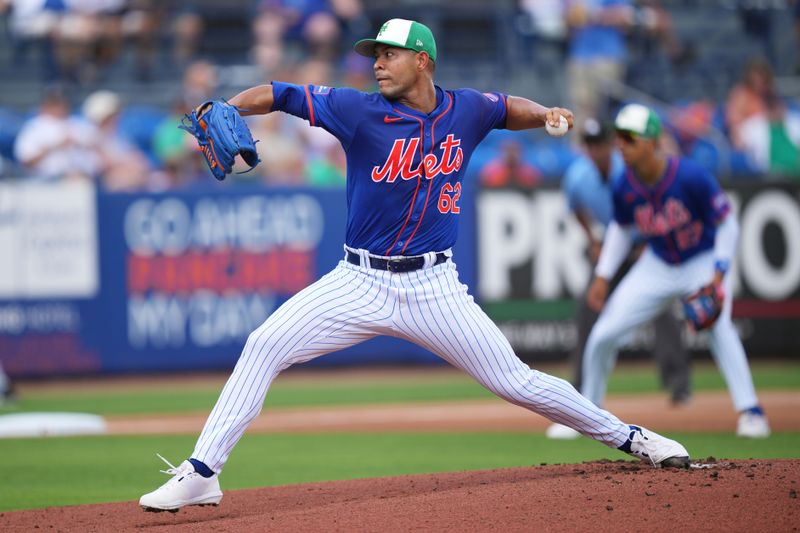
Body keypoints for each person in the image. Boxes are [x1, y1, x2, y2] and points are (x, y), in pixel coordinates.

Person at [139, 19, 691, 513]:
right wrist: (231, 106)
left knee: (517, 382)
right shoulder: (358, 110)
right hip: (358, 280)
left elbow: (505, 109)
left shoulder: (465, 108)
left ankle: (633, 438)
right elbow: (280, 94)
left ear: (422, 60)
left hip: (434, 287)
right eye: (374, 54)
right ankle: (201, 474)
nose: (376, 63)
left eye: (389, 53)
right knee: (264, 344)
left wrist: (544, 113)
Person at [578, 103, 771, 442]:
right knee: (603, 334)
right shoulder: (625, 185)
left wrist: (719, 273)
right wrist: (603, 275)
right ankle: (587, 415)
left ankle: (751, 411)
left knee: (720, 328)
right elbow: (621, 230)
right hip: (658, 263)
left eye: (629, 138)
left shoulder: (689, 176)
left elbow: (727, 223)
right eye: (618, 137)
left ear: (652, 142)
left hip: (700, 260)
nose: (620, 144)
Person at [547, 118, 690, 440]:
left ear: (610, 144)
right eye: (591, 144)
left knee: (662, 311)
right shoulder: (578, 176)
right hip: (610, 251)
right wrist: (593, 240)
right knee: (587, 310)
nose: (596, 149)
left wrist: (646, 243)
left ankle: (678, 385)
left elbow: (653, 203)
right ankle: (581, 391)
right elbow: (576, 209)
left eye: (601, 143)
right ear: (586, 147)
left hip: (644, 246)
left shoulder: (628, 170)